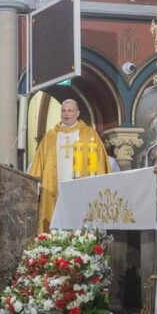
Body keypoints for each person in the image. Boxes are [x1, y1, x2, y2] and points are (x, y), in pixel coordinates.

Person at [29, 99, 108, 232]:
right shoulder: (50, 136)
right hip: (54, 191)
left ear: (77, 113)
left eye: (70, 111)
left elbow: (99, 163)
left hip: (81, 190)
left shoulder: (89, 134)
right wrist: (33, 185)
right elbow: (38, 164)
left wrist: (98, 185)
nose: (66, 114)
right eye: (64, 111)